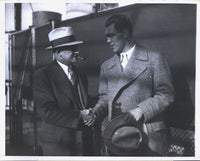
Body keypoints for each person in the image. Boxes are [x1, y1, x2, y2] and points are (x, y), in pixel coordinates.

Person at [88, 14, 175, 156]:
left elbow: (166, 94)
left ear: (125, 33)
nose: (108, 41)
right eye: (106, 37)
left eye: (111, 35)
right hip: (118, 135)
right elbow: (104, 99)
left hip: (146, 135)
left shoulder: (153, 58)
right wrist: (94, 112)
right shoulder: (106, 66)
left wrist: (141, 110)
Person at [33, 26, 95, 156]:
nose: (76, 52)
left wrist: (91, 112)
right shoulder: (43, 75)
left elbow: (84, 103)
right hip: (60, 146)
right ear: (58, 53)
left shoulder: (80, 74)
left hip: (83, 143)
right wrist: (79, 116)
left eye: (76, 48)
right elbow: (47, 111)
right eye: (72, 49)